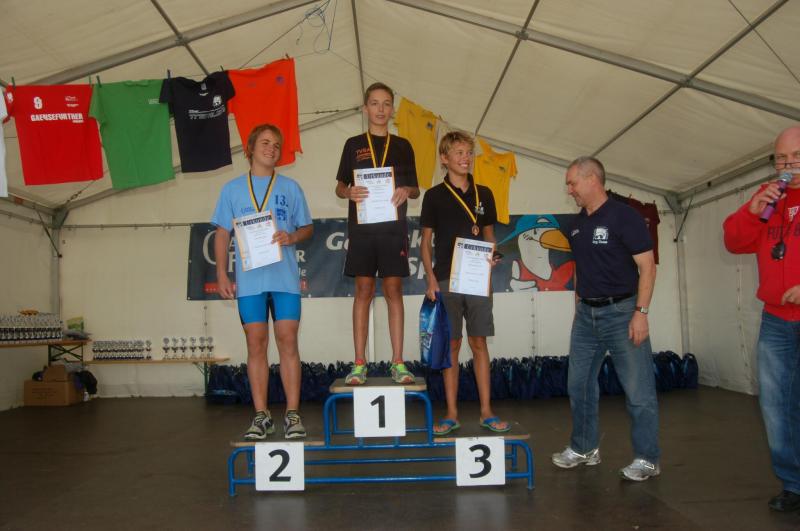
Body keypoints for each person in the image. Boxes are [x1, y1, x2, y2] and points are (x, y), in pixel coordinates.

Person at [552, 156, 660, 481]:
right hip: (586, 316)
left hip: (622, 313)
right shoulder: (576, 225)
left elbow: (647, 266)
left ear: (592, 180)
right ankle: (584, 448)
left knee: (638, 391)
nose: (569, 190)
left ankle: (647, 459)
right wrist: (578, 307)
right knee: (578, 385)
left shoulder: (624, 216)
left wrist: (641, 313)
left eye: (572, 183)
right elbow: (581, 270)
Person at [212, 123, 313, 440]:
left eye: (277, 144)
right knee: (255, 344)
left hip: (284, 279)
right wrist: (221, 273)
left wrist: (292, 236)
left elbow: (307, 228)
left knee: (288, 341)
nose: (272, 148)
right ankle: (261, 415)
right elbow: (222, 233)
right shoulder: (231, 189)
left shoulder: (291, 188)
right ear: (250, 149)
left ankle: (292, 415)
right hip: (250, 283)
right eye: (266, 143)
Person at [723, 125, 800, 512]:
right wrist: (752, 212)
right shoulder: (768, 197)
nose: (788, 165)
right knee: (777, 407)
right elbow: (734, 241)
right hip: (776, 320)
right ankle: (794, 484)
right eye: (781, 159)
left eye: (796, 157)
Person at [420, 131, 510, 435]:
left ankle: (486, 412)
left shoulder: (484, 193)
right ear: (444, 158)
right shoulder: (434, 196)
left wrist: (492, 257)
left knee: (479, 342)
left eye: (469, 153)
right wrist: (431, 278)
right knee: (452, 345)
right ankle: (451, 413)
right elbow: (425, 242)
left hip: (477, 278)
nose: (465, 158)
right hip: (447, 278)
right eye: (459, 153)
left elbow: (489, 235)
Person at [335, 82, 420, 385]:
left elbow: (415, 189)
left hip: (393, 231)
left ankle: (398, 362)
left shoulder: (403, 145)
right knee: (363, 290)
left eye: (386, 104)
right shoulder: (352, 144)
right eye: (374, 103)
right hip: (362, 231)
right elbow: (340, 185)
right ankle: (359, 363)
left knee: (393, 290)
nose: (380, 109)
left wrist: (405, 190)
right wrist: (349, 192)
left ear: (392, 109)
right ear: (365, 108)